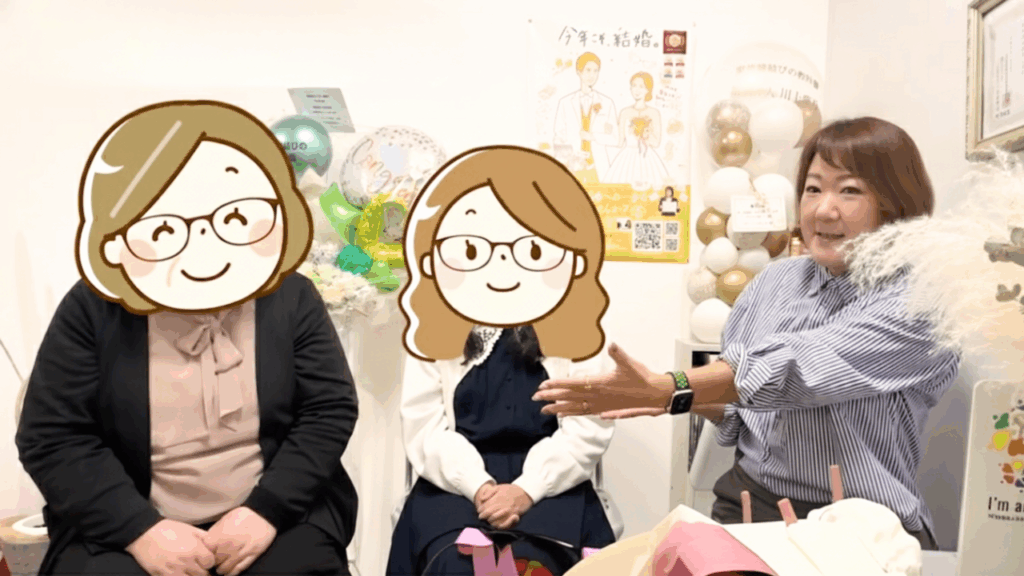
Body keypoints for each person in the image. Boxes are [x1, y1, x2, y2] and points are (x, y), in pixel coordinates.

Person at [533, 117, 960, 551]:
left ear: (897, 202)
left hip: (863, 526)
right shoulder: (775, 281)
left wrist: (670, 386)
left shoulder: (924, 298)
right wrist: (671, 399)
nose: (823, 210)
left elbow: (799, 367)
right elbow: (744, 413)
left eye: (849, 191)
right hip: (750, 504)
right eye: (813, 189)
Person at [16, 100, 358, 576]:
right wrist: (140, 530)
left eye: (232, 218)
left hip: (272, 513)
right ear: (117, 236)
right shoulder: (93, 307)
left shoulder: (290, 296)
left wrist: (266, 511)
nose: (204, 245)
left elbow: (329, 409)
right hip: (129, 525)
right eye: (166, 228)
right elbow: (52, 435)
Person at [388, 146, 619, 575]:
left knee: (539, 563)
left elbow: (588, 429)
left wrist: (527, 489)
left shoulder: (579, 332)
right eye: (474, 247)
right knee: (457, 565)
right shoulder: (433, 332)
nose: (501, 264)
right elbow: (424, 429)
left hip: (554, 480)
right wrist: (479, 486)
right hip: (453, 481)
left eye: (528, 247)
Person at [553, 53, 619, 185]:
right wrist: (572, 155)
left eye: (595, 71)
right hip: (572, 166)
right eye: (588, 70)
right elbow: (558, 138)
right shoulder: (565, 103)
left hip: (598, 166)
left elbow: (615, 138)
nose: (592, 75)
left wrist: (593, 136)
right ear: (579, 71)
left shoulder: (607, 103)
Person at [604, 72, 670, 189]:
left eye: (641, 86)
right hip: (627, 157)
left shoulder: (654, 113)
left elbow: (656, 143)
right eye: (634, 85)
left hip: (647, 156)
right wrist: (609, 131)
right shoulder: (624, 112)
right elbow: (620, 142)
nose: (637, 90)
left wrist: (644, 134)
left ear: (648, 90)